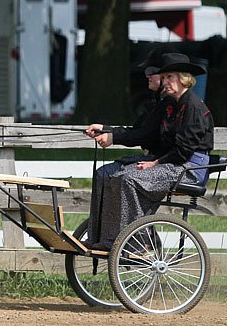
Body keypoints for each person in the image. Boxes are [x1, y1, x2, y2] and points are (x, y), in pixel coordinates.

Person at [84, 52, 214, 250]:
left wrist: (155, 163)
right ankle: (105, 238)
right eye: (164, 78)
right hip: (172, 163)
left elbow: (184, 150)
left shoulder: (194, 107)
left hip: (190, 169)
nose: (165, 82)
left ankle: (138, 244)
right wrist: (108, 130)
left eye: (170, 77)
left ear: (184, 78)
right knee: (109, 174)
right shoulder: (171, 104)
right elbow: (145, 133)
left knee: (129, 178)